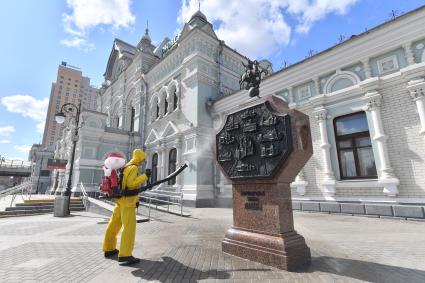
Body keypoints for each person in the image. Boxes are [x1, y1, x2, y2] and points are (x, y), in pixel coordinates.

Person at [102, 148, 148, 264]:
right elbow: (131, 184)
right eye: (142, 159)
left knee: (114, 225)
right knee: (129, 228)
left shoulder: (125, 167)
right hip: (128, 203)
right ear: (139, 158)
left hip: (120, 201)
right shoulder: (133, 168)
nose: (142, 162)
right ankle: (125, 254)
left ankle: (109, 248)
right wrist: (145, 176)